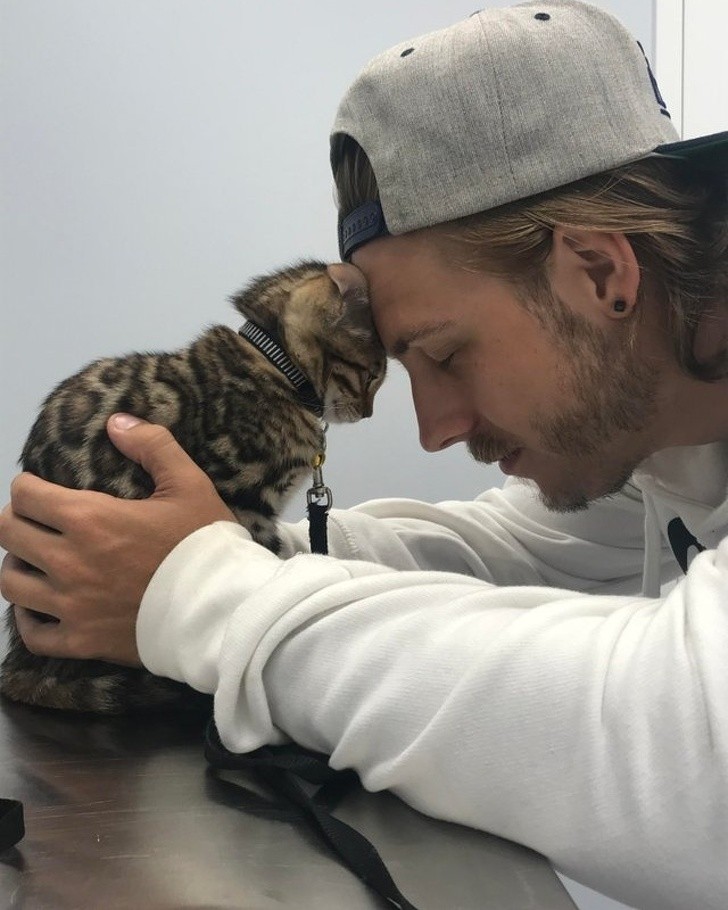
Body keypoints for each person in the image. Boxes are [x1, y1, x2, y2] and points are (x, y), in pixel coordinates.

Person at [1, 1, 726, 906]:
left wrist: (200, 593)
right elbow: (513, 551)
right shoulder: (674, 444)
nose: (433, 429)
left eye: (445, 353)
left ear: (601, 273)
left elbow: (694, 757)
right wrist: (205, 544)